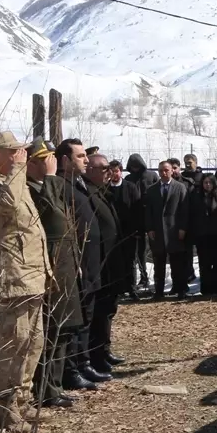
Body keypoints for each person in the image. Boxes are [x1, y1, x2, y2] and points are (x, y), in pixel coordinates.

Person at [0, 132, 53, 432]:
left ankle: (23, 400)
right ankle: (7, 409)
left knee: (32, 342)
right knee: (11, 345)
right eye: (14, 152)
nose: (21, 156)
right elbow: (7, 204)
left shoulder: (14, 181)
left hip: (30, 275)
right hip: (10, 278)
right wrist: (17, 169)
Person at [24, 139, 84, 403]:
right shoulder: (29, 189)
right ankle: (45, 389)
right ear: (30, 163)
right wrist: (49, 177)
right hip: (50, 268)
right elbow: (48, 213)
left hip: (65, 264)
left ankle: (55, 386)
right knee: (51, 330)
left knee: (64, 328)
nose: (51, 163)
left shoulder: (49, 185)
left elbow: (65, 219)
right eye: (44, 159)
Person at [55, 139, 108, 385]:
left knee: (87, 317)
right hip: (77, 265)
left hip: (91, 263)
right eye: (80, 156)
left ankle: (84, 363)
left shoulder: (78, 183)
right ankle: (72, 369)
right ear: (65, 160)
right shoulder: (60, 186)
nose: (86, 160)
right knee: (76, 322)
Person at [85, 153, 128, 371]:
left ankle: (104, 350)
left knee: (108, 310)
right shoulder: (87, 193)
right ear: (90, 170)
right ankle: (96, 355)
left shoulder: (103, 191)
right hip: (99, 265)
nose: (108, 173)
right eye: (103, 169)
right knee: (99, 313)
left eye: (109, 168)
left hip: (111, 262)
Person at [145, 160, 190, 300]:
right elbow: (148, 212)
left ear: (172, 171)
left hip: (174, 230)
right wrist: (149, 228)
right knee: (159, 264)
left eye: (166, 170)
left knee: (177, 263)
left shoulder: (180, 187)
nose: (164, 173)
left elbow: (184, 210)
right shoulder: (151, 190)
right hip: (158, 231)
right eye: (161, 171)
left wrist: (182, 228)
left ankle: (180, 289)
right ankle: (159, 291)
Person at [189, 174, 217, 295]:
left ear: (214, 184)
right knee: (204, 263)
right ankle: (206, 288)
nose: (207, 185)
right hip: (202, 235)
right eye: (205, 182)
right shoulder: (196, 197)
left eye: (210, 182)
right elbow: (193, 216)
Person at [107, 159, 142, 300]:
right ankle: (118, 289)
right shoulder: (105, 188)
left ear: (121, 171)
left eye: (116, 171)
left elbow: (137, 209)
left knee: (130, 260)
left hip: (129, 231)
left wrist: (138, 230)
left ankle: (131, 288)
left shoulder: (130, 187)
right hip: (111, 231)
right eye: (111, 171)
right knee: (115, 261)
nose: (114, 174)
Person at [124, 155, 157, 291]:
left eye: (137, 165)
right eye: (132, 166)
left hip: (151, 216)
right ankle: (143, 277)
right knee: (139, 251)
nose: (135, 168)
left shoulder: (151, 176)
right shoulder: (128, 179)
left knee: (156, 249)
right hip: (136, 218)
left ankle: (158, 278)